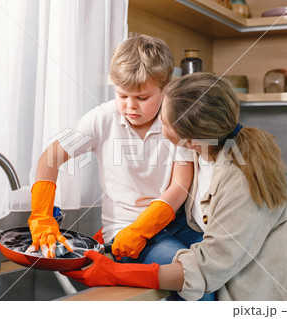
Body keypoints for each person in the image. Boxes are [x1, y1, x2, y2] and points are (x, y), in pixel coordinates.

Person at [61, 73, 287, 301]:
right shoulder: (203, 155)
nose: (158, 125)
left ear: (189, 137)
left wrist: (116, 273)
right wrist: (119, 228)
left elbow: (205, 270)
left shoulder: (239, 179)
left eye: (163, 122)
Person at [27, 35, 203, 268]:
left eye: (142, 97)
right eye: (122, 95)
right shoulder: (102, 118)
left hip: (175, 223)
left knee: (217, 261)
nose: (130, 106)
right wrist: (42, 217)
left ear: (165, 89)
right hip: (124, 230)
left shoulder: (175, 120)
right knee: (190, 269)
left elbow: (180, 184)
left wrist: (145, 227)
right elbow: (50, 158)